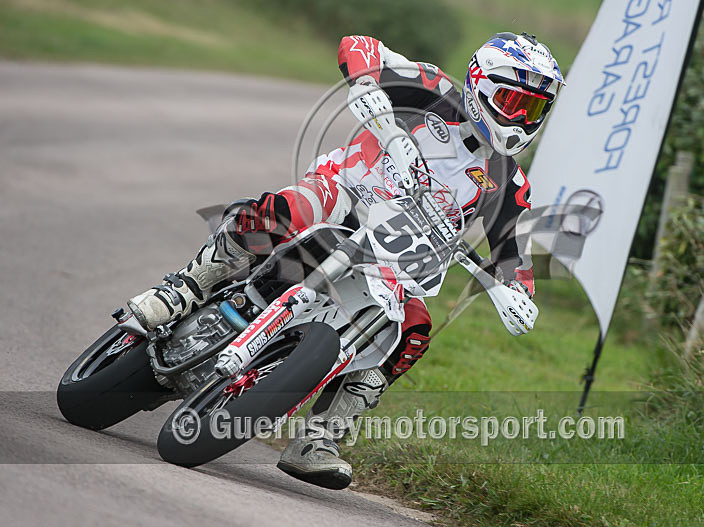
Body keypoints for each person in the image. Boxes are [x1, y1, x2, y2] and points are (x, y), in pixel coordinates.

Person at [128, 32, 564, 489]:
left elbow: (511, 253)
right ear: (480, 84)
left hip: (395, 255)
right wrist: (370, 94)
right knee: (283, 211)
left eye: (533, 109)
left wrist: (517, 293)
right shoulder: (434, 90)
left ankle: (320, 438)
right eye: (512, 101)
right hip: (346, 191)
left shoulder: (509, 181)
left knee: (413, 330)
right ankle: (183, 289)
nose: (520, 119)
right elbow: (358, 46)